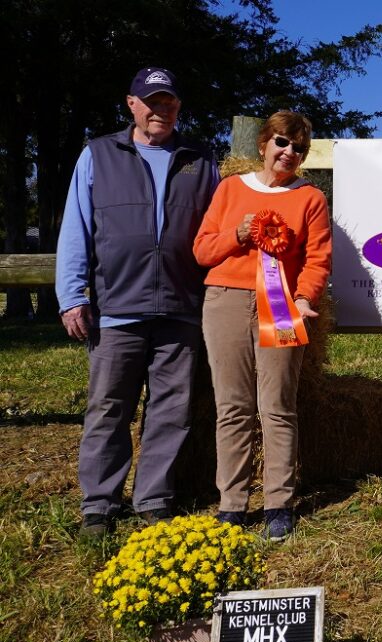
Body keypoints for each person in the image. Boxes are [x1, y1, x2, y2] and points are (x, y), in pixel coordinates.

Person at [55, 67, 218, 538]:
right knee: (108, 408)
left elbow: (217, 231)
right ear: (132, 104)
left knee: (171, 410)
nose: (160, 110)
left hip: (181, 307)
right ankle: (99, 505)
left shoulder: (201, 159)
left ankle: (154, 500)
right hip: (116, 308)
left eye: (169, 102)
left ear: (178, 107)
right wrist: (72, 295)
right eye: (151, 101)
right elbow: (76, 229)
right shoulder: (99, 154)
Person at [193, 110, 331, 541]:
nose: (289, 153)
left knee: (278, 407)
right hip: (225, 302)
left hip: (282, 307)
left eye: (299, 148)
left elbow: (318, 259)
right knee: (232, 406)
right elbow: (202, 251)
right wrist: (237, 233)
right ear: (264, 143)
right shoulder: (230, 188)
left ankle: (278, 505)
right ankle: (232, 504)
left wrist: (304, 298)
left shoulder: (310, 198)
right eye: (282, 143)